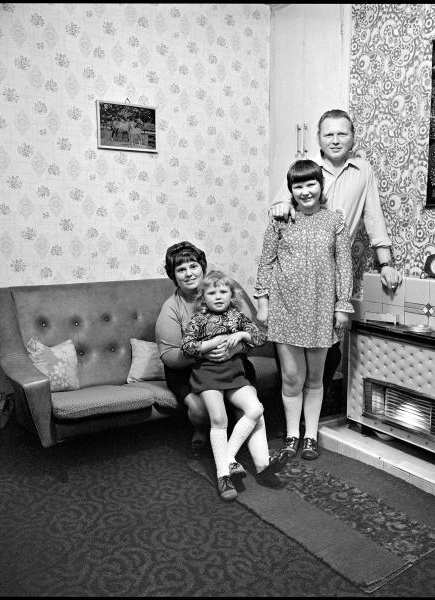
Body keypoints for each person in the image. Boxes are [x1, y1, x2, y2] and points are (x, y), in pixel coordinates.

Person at [269, 109, 403, 404]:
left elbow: (373, 216)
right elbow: (280, 204)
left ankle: (314, 419)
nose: (335, 140)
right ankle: (290, 420)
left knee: (329, 346)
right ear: (318, 138)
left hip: (333, 271)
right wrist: (280, 206)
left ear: (353, 137)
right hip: (294, 272)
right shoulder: (305, 168)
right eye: (329, 134)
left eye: (342, 133)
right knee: (291, 353)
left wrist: (385, 263)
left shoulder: (363, 171)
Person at [155, 242, 287, 499]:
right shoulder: (173, 309)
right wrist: (208, 349)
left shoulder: (226, 294)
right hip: (191, 369)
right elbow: (172, 357)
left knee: (250, 407)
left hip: (232, 365)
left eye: (194, 266)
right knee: (208, 412)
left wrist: (236, 348)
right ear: (173, 275)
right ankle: (214, 449)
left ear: (203, 268)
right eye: (181, 269)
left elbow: (252, 334)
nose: (189, 272)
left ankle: (261, 462)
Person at [255, 159, 354, 460]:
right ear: (291, 190)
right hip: (285, 308)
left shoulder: (335, 219)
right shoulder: (280, 219)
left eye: (311, 184)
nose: (305, 191)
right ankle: (291, 436)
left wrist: (343, 305)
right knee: (291, 379)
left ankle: (310, 435)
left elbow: (345, 266)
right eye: (298, 186)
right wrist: (262, 302)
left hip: (322, 309)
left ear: (321, 186)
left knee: (315, 378)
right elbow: (266, 261)